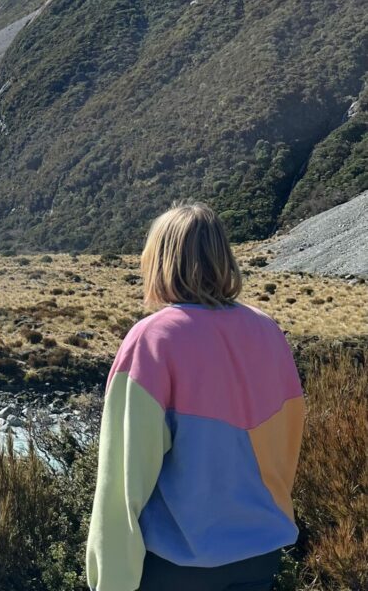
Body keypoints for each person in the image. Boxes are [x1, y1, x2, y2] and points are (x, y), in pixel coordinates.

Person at [86, 203, 304, 591]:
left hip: (177, 565)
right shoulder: (268, 331)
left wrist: (111, 580)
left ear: (158, 261)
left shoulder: (153, 339)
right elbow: (283, 449)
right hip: (259, 555)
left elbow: (122, 481)